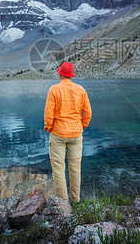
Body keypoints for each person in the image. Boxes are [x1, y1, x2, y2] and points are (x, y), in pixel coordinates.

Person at [44, 61, 92, 203]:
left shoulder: (54, 89)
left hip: (58, 133)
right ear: (71, 75)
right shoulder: (81, 90)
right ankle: (75, 201)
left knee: (58, 168)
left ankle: (63, 203)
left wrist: (49, 127)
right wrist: (81, 126)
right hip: (76, 134)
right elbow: (88, 113)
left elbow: (48, 114)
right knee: (75, 168)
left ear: (60, 73)